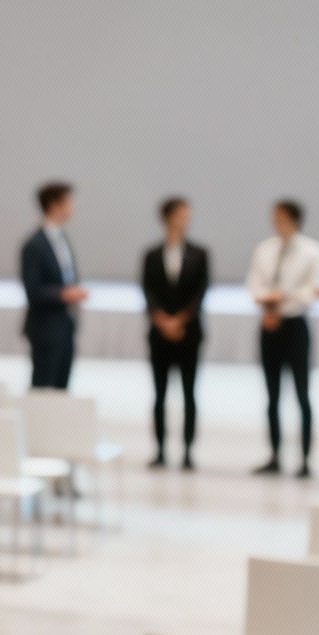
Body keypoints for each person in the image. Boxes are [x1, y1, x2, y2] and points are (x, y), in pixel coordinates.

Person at [246, 199, 319, 479]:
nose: (276, 221)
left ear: (294, 219)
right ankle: (274, 455)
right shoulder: (264, 249)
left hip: (294, 324)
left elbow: (313, 289)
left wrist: (283, 300)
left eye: (281, 217)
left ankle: (305, 458)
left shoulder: (312, 251)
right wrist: (267, 303)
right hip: (269, 324)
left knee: (302, 394)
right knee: (272, 395)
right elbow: (254, 282)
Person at [140, 197, 208, 470]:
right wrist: (162, 319)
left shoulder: (199, 254)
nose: (185, 220)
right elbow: (147, 291)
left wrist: (180, 319)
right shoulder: (152, 255)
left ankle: (188, 449)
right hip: (159, 334)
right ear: (167, 218)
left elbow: (200, 291)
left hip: (189, 333)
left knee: (190, 394)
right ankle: (159, 449)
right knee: (159, 394)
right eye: (180, 215)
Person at [21, 181, 87, 390]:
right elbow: (33, 290)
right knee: (42, 387)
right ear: (54, 205)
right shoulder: (34, 245)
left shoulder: (62, 238)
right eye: (68, 202)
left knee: (62, 387)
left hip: (66, 324)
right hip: (45, 327)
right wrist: (65, 294)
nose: (72, 208)